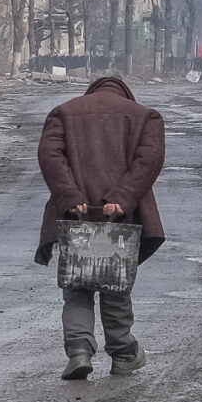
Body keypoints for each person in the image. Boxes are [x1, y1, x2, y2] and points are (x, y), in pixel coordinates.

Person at [35, 75, 166, 380]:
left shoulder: (63, 112)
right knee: (115, 286)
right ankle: (123, 353)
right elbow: (149, 160)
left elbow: (50, 156)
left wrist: (71, 196)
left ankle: (79, 351)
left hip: (76, 217)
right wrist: (121, 199)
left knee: (78, 287)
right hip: (120, 219)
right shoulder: (145, 116)